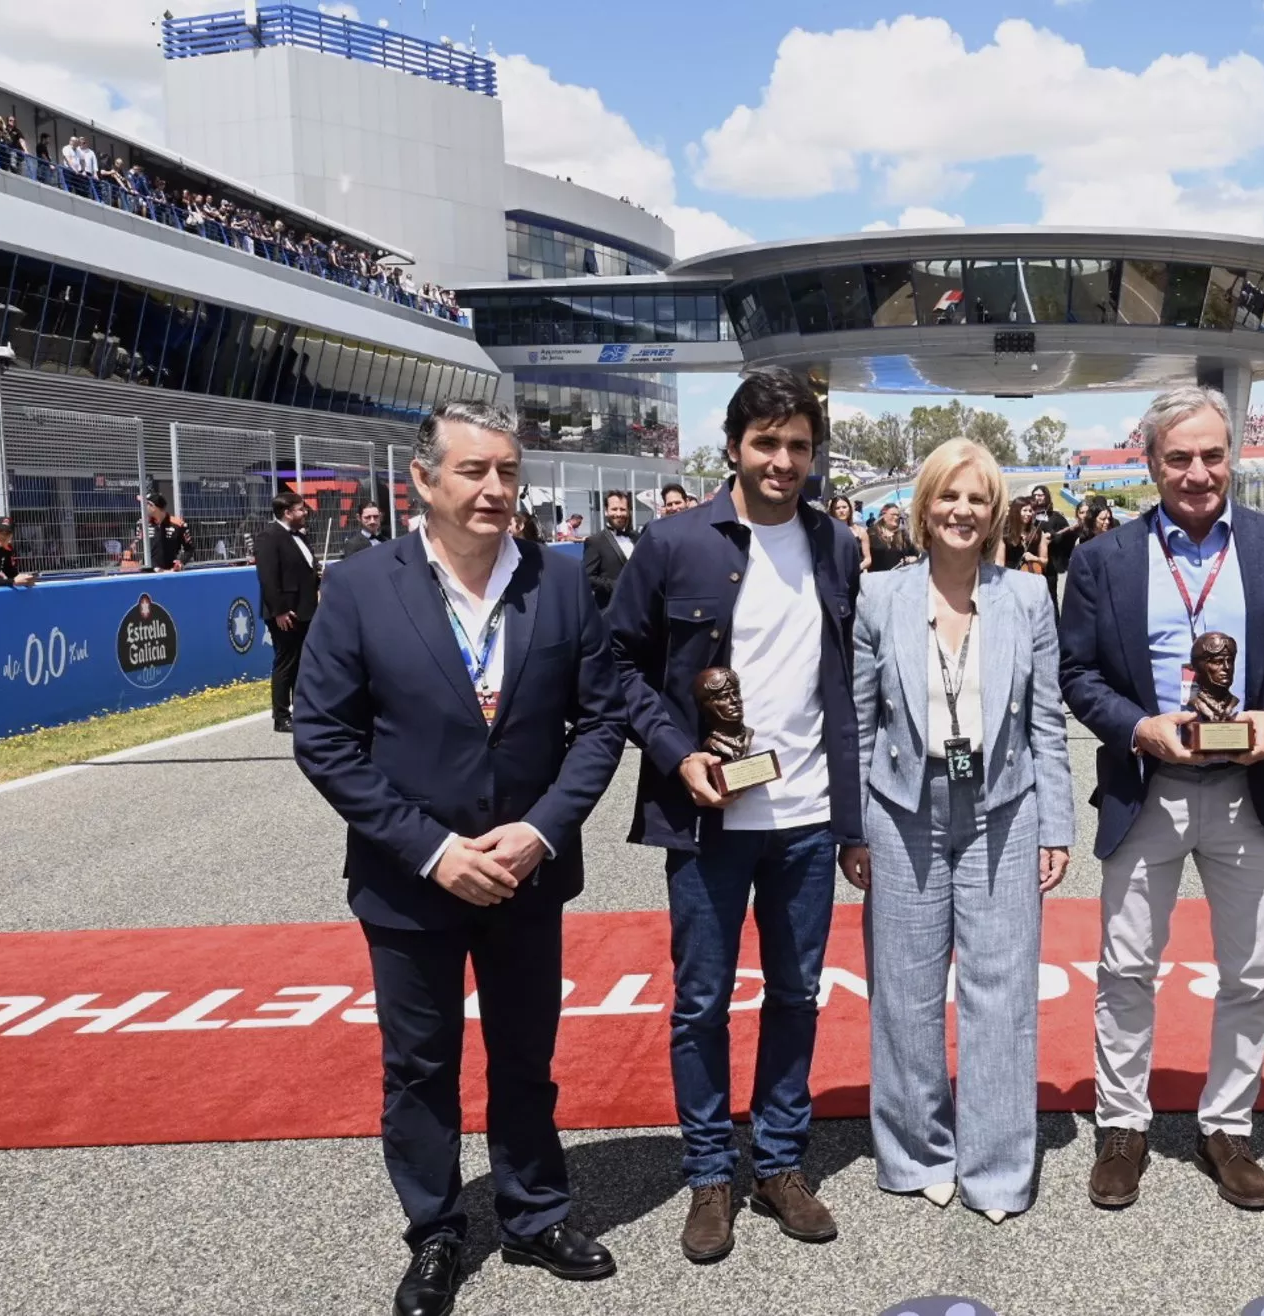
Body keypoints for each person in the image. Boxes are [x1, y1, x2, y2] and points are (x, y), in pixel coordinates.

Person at [293, 400, 628, 1316]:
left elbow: (601, 721)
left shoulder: (558, 584)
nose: (493, 490)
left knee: (527, 1055)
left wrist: (544, 828)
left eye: (508, 472)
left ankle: (532, 1213)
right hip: (412, 881)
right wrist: (433, 851)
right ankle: (436, 1232)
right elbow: (324, 739)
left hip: (529, 873)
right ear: (424, 480)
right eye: (474, 471)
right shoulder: (362, 587)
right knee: (419, 1067)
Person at [606, 367, 862, 1263]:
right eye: (767, 443)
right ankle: (710, 1173)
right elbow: (618, 668)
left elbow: (844, 690)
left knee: (796, 996)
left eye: (798, 445)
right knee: (701, 1004)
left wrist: (854, 819)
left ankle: (780, 1164)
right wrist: (679, 754)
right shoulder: (674, 543)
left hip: (807, 818)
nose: (784, 461)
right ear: (734, 448)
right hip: (709, 822)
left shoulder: (838, 547)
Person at [1059, 384, 1264, 1213]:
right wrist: (1139, 728)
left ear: (1232, 457)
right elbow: (1078, 675)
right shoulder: (1103, 558)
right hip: (1150, 789)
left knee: (1251, 970)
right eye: (1178, 457)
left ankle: (1227, 1125)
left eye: (1212, 454)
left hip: (1253, 789)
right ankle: (1123, 1126)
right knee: (1128, 967)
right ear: (1150, 464)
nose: (1198, 471)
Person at [843, 438, 1075, 1224]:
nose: (962, 511)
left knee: (1001, 995)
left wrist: (1057, 826)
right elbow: (860, 723)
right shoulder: (878, 596)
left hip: (1005, 813)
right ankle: (916, 1154)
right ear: (922, 507)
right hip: (902, 811)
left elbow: (1048, 720)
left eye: (977, 498)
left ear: (997, 510)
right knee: (904, 995)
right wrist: (855, 829)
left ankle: (998, 1167)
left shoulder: (1028, 598)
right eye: (948, 496)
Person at [254, 492, 320, 734]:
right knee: (286, 662)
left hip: (305, 609)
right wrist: (280, 610)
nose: (305, 513)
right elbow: (268, 578)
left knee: (303, 663)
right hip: (286, 612)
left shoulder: (300, 536)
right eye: (301, 509)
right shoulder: (269, 536)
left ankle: (302, 711)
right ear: (287, 512)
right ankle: (281, 716)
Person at [581, 490, 635, 609]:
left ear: (628, 511)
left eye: (623, 509)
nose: (619, 513)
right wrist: (616, 586)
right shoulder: (595, 542)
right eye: (614, 509)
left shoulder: (638, 537)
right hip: (610, 610)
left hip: (638, 609)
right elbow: (587, 577)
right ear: (606, 511)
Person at [1025, 484, 1071, 602]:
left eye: (1040, 495)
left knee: (1050, 599)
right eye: (1035, 495)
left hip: (1049, 565)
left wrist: (1054, 537)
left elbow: (1067, 534)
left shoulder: (1055, 516)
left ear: (1046, 497)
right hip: (1028, 565)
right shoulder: (1027, 514)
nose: (1037, 497)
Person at [141, 493, 194, 571]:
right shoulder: (143, 524)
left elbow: (189, 548)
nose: (143, 507)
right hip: (148, 574)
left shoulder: (178, 524)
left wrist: (181, 562)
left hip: (171, 573)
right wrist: (155, 568)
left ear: (154, 507)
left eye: (146, 504)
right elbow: (139, 549)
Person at [0, 514, 35, 586]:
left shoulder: (7, 549)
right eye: (0, 531)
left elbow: (11, 572)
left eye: (7, 533)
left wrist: (25, 579)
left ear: (11, 535)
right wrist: (12, 581)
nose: (3, 536)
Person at [999, 496, 1046, 575]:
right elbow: (999, 562)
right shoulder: (1004, 533)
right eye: (1025, 510)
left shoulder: (1037, 532)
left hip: (1030, 576)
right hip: (1009, 576)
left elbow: (1045, 562)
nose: (1028, 514)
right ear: (1016, 512)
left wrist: (1035, 558)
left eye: (1030, 511)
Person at [826, 493, 873, 570]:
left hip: (857, 575)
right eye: (837, 508)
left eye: (844, 507)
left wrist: (856, 569)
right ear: (832, 511)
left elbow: (868, 559)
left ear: (850, 509)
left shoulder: (861, 531)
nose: (841, 510)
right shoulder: (828, 532)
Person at [868, 503, 918, 572]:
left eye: (898, 515)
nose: (896, 517)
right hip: (879, 578)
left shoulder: (903, 535)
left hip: (901, 576)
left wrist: (911, 559)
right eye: (893, 514)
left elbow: (915, 555)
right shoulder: (871, 533)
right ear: (883, 515)